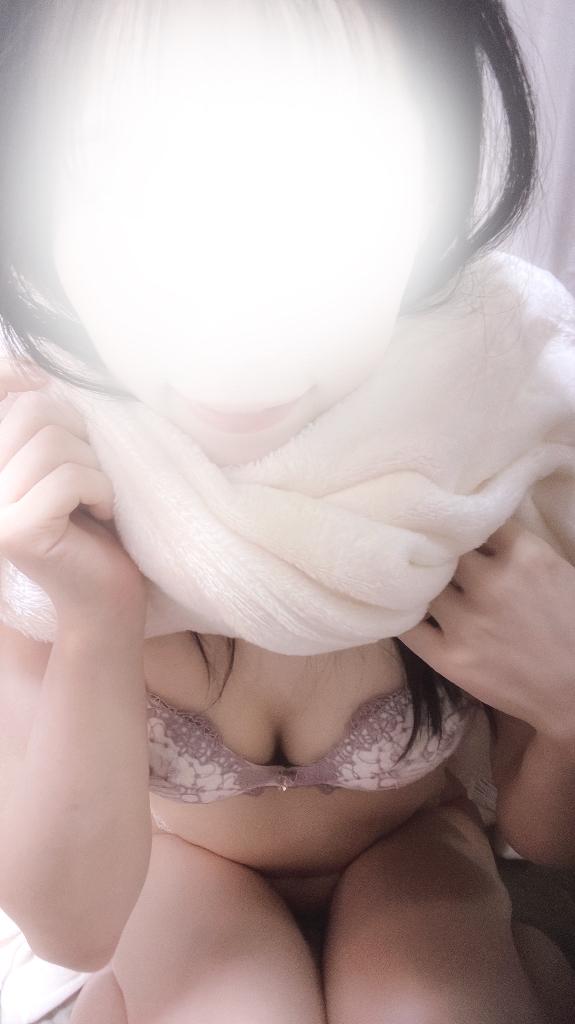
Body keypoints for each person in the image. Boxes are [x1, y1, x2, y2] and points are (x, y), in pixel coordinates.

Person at [0, 2, 573, 1022]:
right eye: (132, 178)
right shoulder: (46, 465)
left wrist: (568, 698)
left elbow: (548, 838)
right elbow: (70, 925)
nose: (238, 315)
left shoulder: (486, 418)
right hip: (171, 873)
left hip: (414, 850)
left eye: (327, 178)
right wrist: (93, 619)